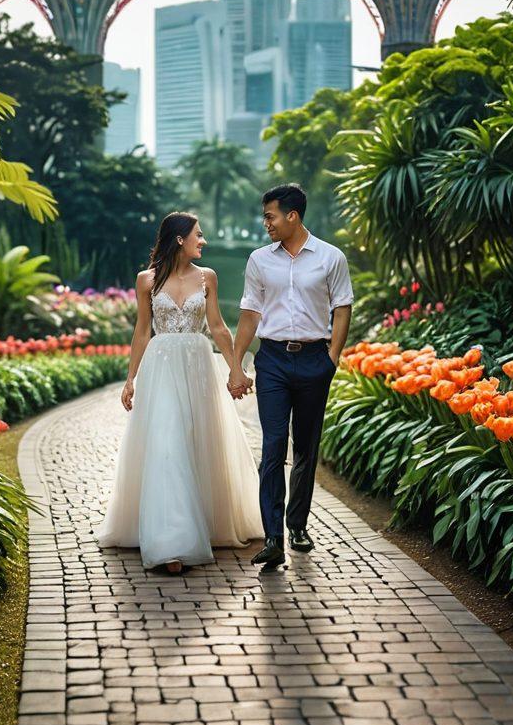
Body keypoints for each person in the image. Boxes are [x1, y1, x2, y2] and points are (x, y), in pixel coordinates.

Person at [96, 212, 264, 573]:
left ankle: (204, 523)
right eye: (198, 235)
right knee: (167, 444)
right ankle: (171, 541)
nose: (203, 241)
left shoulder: (207, 278)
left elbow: (217, 327)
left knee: (199, 441)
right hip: (161, 368)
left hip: (199, 366)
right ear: (179, 239)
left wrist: (236, 368)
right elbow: (142, 332)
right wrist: (130, 379)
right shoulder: (146, 281)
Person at [232, 184, 354, 567]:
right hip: (272, 360)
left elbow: (343, 307)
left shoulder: (331, 258)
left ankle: (297, 524)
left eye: (270, 215)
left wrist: (332, 357)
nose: (265, 222)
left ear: (292, 216)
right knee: (272, 446)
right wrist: (237, 363)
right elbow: (250, 313)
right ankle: (273, 537)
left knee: (305, 445)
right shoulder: (259, 260)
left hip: (315, 359)